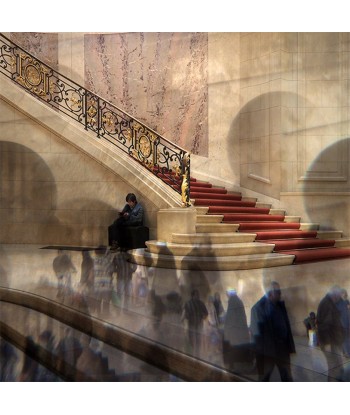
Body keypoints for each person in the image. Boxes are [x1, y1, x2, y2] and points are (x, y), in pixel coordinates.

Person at [250, 281, 295, 381]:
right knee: (264, 379)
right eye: (278, 292)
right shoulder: (258, 309)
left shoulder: (279, 305)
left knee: (287, 378)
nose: (280, 294)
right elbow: (256, 335)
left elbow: (285, 326)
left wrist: (288, 345)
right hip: (268, 352)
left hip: (282, 350)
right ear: (271, 293)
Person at [317, 285, 345, 381]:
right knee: (333, 367)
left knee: (339, 364)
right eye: (339, 295)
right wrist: (327, 343)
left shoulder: (332, 303)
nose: (340, 298)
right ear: (335, 295)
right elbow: (323, 326)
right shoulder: (326, 304)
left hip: (335, 340)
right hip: (330, 342)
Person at [223, 289, 253, 374]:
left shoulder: (232, 301)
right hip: (240, 330)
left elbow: (231, 317)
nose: (227, 297)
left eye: (227, 295)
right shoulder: (238, 300)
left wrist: (226, 328)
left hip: (235, 331)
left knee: (233, 348)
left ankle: (235, 367)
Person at [182, 289, 208, 356]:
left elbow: (206, 313)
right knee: (192, 340)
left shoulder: (201, 303)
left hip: (199, 324)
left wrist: (202, 316)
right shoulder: (188, 303)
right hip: (192, 324)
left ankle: (197, 354)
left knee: (198, 340)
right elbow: (185, 314)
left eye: (198, 295)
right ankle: (191, 354)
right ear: (192, 295)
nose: (197, 296)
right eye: (196, 294)